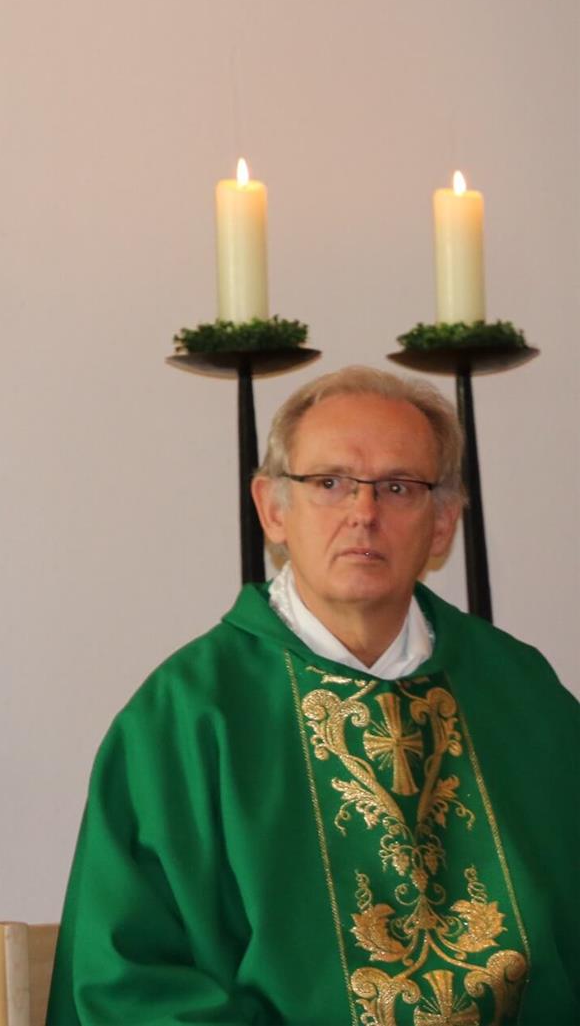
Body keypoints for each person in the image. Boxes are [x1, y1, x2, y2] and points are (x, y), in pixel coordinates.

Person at [49, 366, 580, 1025]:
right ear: (273, 508)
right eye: (328, 483)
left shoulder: (523, 700)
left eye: (398, 486)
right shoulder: (185, 718)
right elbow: (127, 982)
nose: (364, 512)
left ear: (443, 523)